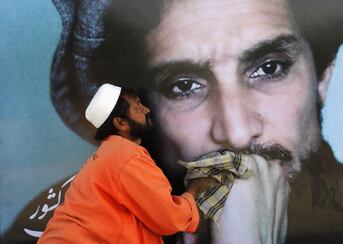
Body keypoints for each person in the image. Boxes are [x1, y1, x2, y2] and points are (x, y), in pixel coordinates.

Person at [45, 0, 343, 243]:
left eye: (270, 69)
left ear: (322, 77)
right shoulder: (71, 224)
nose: (236, 134)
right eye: (184, 86)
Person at [38, 83, 217, 243]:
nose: (146, 110)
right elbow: (168, 218)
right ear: (121, 123)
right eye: (138, 106)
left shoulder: (108, 155)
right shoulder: (126, 157)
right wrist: (195, 189)